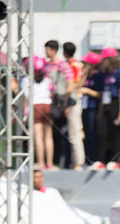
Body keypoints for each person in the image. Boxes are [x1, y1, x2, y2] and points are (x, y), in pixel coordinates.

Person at [92, 48, 120, 171]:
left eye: (104, 59)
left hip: (116, 103)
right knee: (101, 132)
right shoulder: (103, 73)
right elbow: (102, 92)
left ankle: (115, 160)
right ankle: (100, 160)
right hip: (104, 104)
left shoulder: (118, 72)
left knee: (115, 133)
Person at [44, 39, 73, 168]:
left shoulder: (63, 65)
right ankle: (54, 161)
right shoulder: (47, 66)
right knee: (53, 134)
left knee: (63, 134)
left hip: (61, 104)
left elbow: (70, 84)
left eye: (48, 49)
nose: (46, 52)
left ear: (54, 50)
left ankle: (64, 162)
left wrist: (66, 104)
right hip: (50, 104)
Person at [22, 62, 56, 171]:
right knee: (48, 137)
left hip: (35, 106)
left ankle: (41, 162)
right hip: (47, 106)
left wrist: (24, 114)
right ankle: (49, 163)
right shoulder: (47, 79)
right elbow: (52, 92)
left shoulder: (27, 80)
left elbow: (26, 98)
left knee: (38, 136)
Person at [62, 42, 85, 170]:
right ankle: (76, 161)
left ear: (64, 52)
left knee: (74, 133)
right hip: (77, 99)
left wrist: (66, 104)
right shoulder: (79, 64)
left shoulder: (71, 66)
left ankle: (78, 162)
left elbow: (72, 86)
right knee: (75, 132)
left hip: (73, 101)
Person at [79, 52, 102, 168]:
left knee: (93, 133)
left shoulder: (98, 75)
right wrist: (84, 75)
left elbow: (100, 94)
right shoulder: (87, 75)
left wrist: (87, 91)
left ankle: (94, 159)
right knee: (86, 133)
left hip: (94, 107)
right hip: (85, 107)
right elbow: (79, 87)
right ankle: (87, 159)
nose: (84, 64)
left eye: (86, 63)